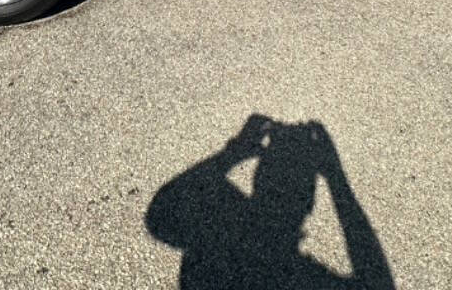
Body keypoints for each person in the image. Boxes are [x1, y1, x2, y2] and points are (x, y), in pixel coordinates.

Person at [146, 115, 395, 289]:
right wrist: (336, 178)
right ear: (309, 202)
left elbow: (164, 209)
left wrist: (235, 152)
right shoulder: (299, 280)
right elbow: (377, 283)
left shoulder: (216, 250)